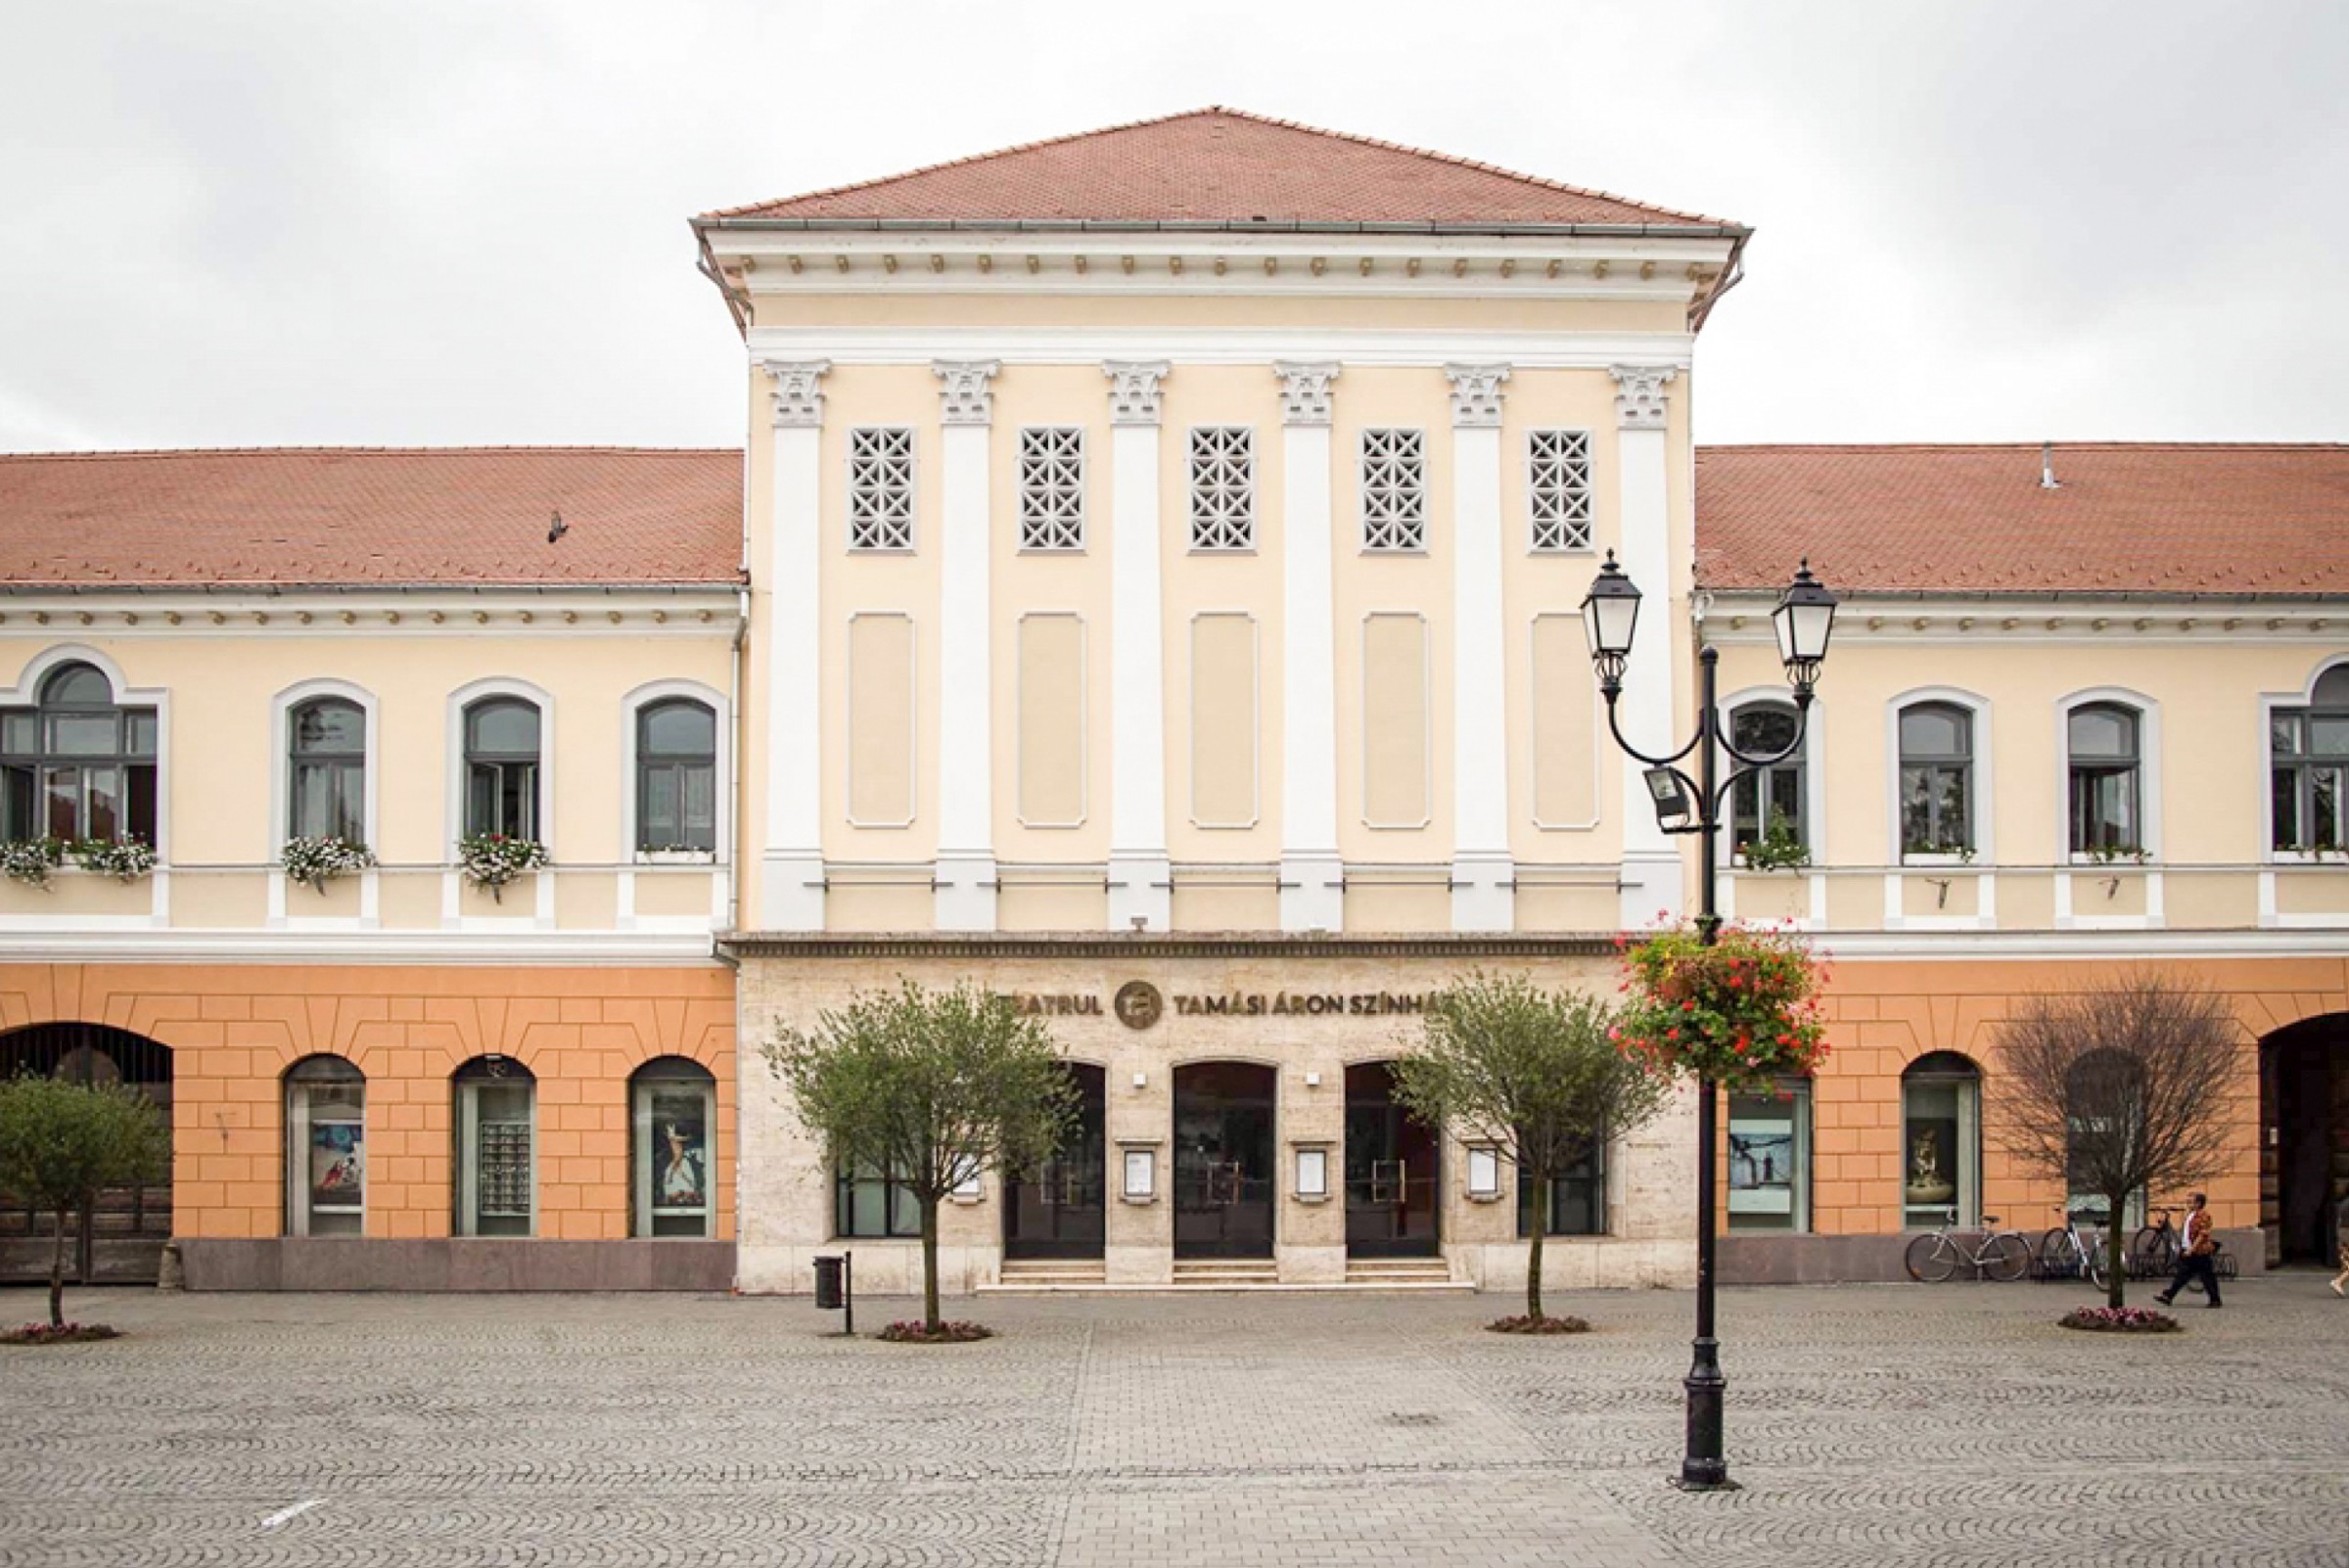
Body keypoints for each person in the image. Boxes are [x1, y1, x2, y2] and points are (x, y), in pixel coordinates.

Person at [2154, 1191, 2222, 1309]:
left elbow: (2203, 1234)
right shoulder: (2190, 1214)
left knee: (2205, 1276)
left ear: (2198, 1203)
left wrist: (2192, 1248)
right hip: (2189, 1250)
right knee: (2185, 1274)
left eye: (2191, 1201)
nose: (2188, 1203)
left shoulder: (2203, 1215)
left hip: (2199, 1252)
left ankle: (2215, 1299)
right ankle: (2169, 1295)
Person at [2330, 1182, 2348, 1299]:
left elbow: (2339, 1222)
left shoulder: (2343, 1203)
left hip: (2343, 1233)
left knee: (2346, 1262)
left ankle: (2339, 1282)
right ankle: (2338, 1281)